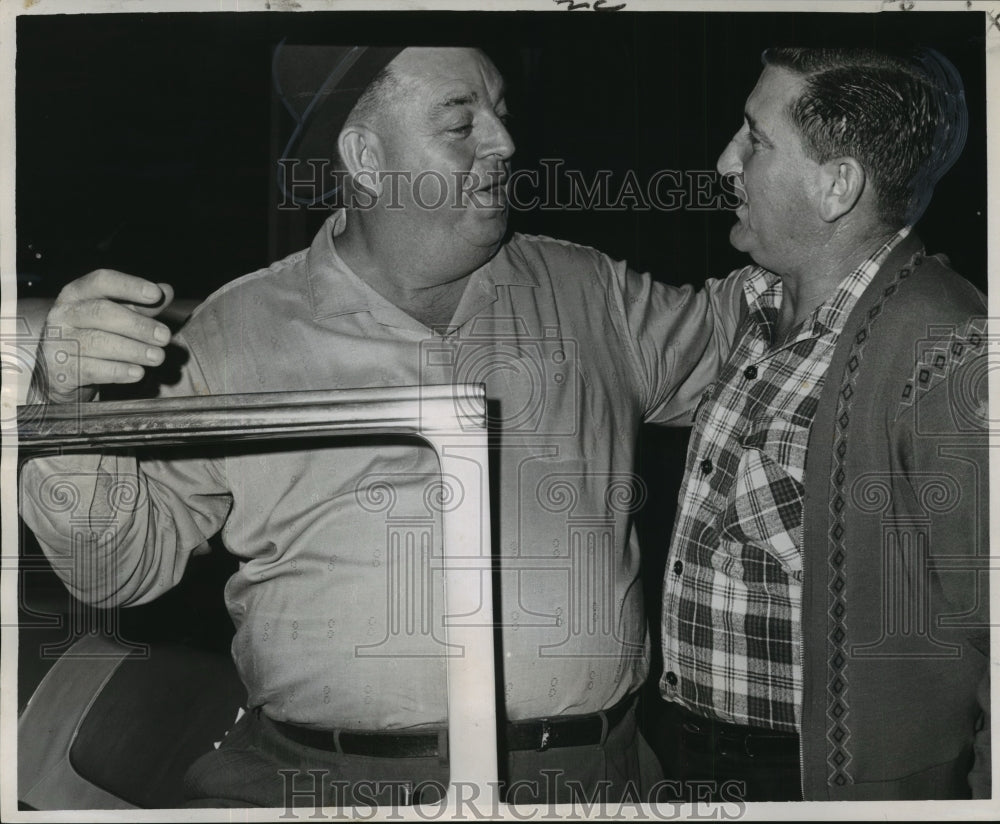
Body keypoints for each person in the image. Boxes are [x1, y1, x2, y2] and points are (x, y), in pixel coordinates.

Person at [19, 46, 745, 808]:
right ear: (367, 158)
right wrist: (65, 406)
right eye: (463, 123)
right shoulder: (231, 333)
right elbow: (116, 572)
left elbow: (762, 339)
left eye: (501, 115)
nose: (504, 143)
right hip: (312, 787)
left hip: (588, 784)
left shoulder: (591, 292)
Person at [657, 46, 990, 801]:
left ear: (837, 186)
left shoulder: (950, 348)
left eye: (755, 138)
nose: (724, 162)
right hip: (690, 761)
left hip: (819, 784)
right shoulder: (758, 306)